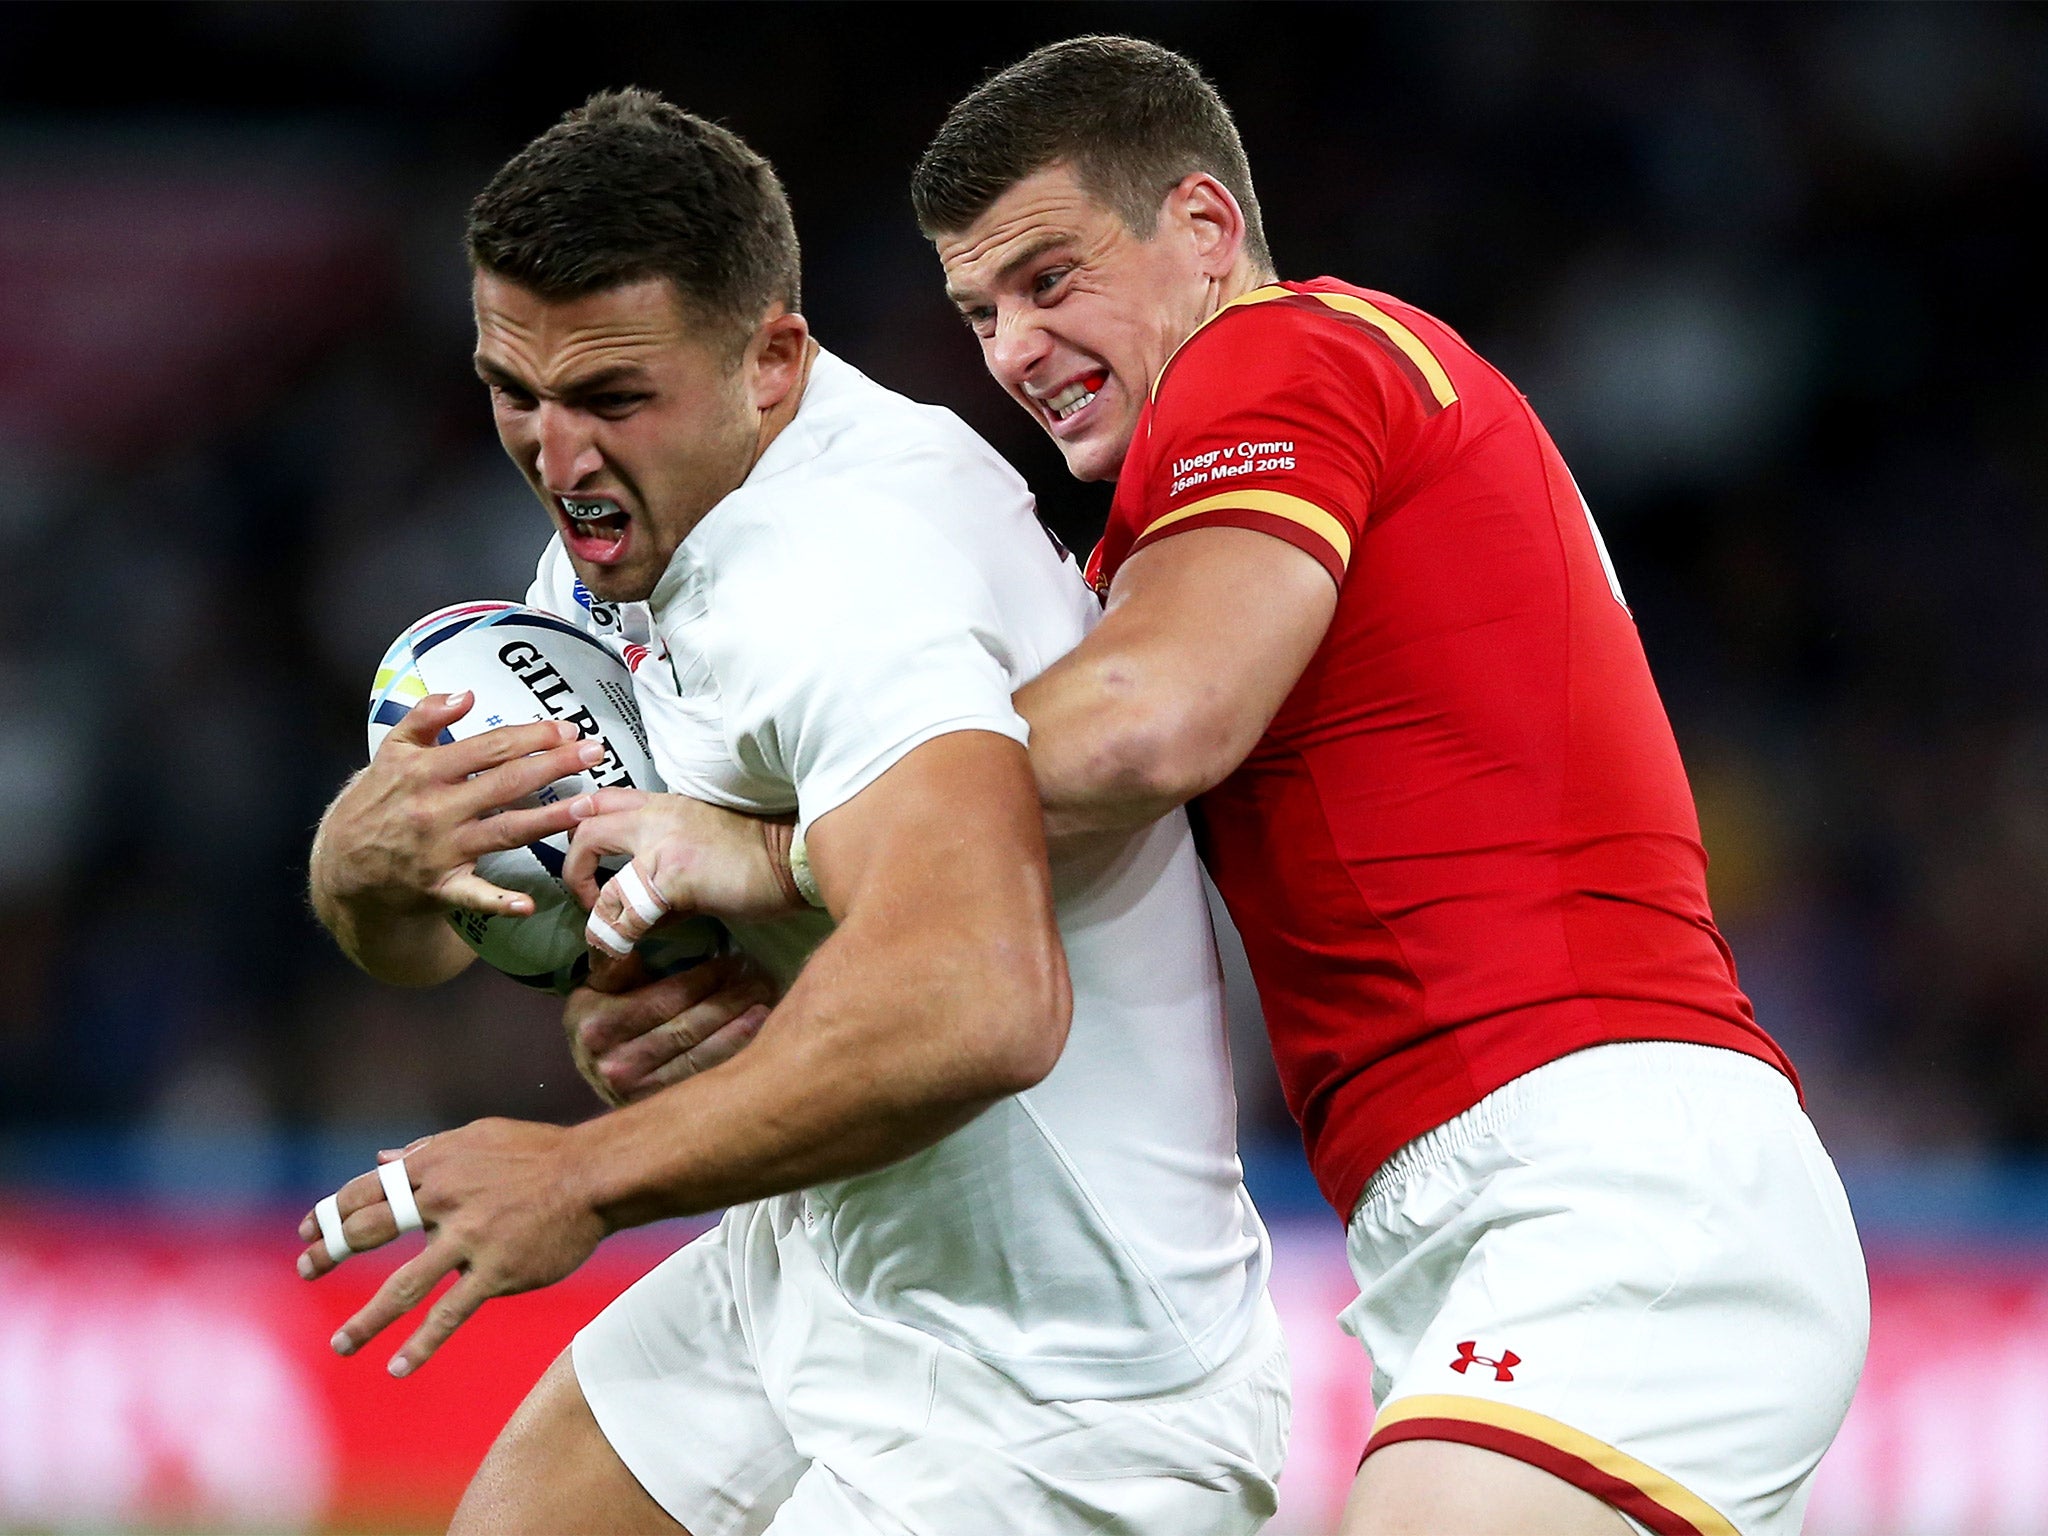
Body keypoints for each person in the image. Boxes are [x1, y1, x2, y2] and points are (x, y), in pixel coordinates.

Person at [581, 36, 1871, 1536]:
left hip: (1605, 1180)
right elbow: (1029, 821)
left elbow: (1148, 727)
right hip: (1518, 1200)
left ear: (1204, 230)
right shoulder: (1184, 546)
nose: (1012, 348)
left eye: (1051, 279)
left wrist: (768, 853)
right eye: (980, 310)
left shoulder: (1279, 354)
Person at [302, 88, 1286, 1536]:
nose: (556, 456)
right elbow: (506, 938)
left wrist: (583, 1173)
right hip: (834, 1248)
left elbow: (981, 998)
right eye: (517, 391)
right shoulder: (629, 520)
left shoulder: (851, 567)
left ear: (772, 358)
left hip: (1059, 1378)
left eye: (611, 399)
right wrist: (371, 873)